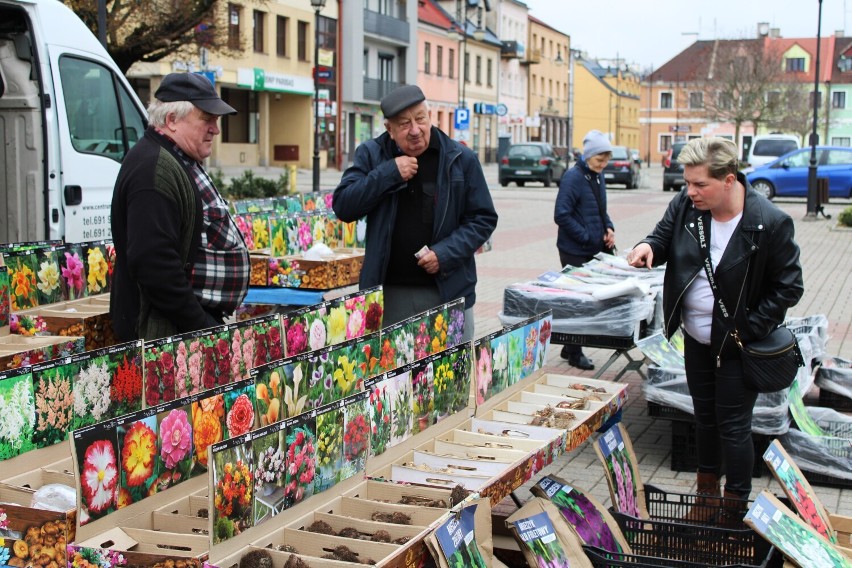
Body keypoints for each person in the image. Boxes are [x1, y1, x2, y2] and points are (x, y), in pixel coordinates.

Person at [627, 137, 803, 525]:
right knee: (703, 417)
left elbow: (789, 286)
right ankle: (706, 495)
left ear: (728, 180)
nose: (690, 192)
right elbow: (662, 235)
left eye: (699, 184)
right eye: (687, 184)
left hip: (740, 346)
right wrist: (647, 247)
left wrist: (749, 328)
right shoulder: (687, 206)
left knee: (734, 424)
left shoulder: (769, 222)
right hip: (697, 339)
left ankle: (733, 504)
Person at [333, 85, 497, 340]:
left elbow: (483, 219)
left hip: (449, 291)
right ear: (389, 129)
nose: (415, 130)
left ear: (430, 116)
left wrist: (444, 254)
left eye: (420, 119)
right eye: (404, 124)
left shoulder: (460, 158)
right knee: (390, 377)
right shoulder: (371, 155)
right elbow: (344, 205)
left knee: (452, 376)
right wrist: (388, 173)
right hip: (389, 294)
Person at [111, 72, 250, 341]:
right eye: (207, 119)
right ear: (172, 119)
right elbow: (155, 265)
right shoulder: (153, 168)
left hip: (175, 329)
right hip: (161, 334)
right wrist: (200, 326)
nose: (215, 129)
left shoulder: (173, 158)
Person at [553, 130, 616, 370]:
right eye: (600, 159)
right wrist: (587, 235)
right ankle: (575, 353)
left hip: (592, 248)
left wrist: (608, 227)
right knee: (578, 302)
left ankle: (569, 345)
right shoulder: (574, 177)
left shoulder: (597, 176)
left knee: (585, 300)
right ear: (588, 156)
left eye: (606, 159)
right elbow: (561, 214)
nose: (604, 164)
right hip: (573, 250)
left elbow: (600, 209)